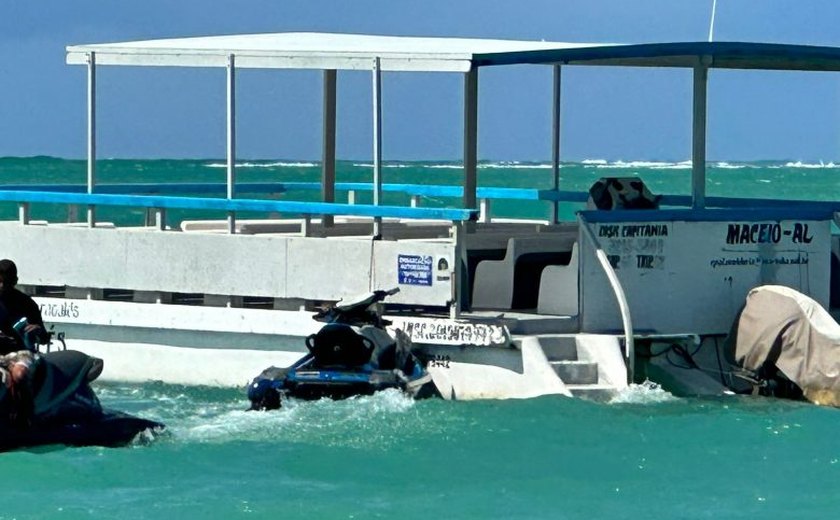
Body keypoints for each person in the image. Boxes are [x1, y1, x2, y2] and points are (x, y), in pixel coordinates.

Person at [0, 259, 49, 354]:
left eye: (6, 282)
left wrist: (37, 330)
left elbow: (44, 339)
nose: (2, 286)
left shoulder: (27, 304)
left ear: (15, 281)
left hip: (20, 356)